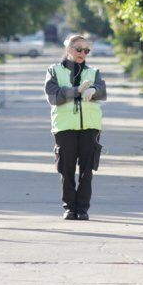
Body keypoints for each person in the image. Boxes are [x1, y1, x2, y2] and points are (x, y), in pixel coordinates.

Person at [44, 34, 107, 220]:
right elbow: (53, 96)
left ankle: (83, 208)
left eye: (86, 50)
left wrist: (94, 90)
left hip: (90, 126)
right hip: (64, 127)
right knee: (67, 168)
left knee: (87, 170)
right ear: (68, 49)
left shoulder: (93, 71)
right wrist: (76, 91)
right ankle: (70, 207)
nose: (82, 53)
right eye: (78, 49)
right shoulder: (54, 71)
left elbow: (103, 91)